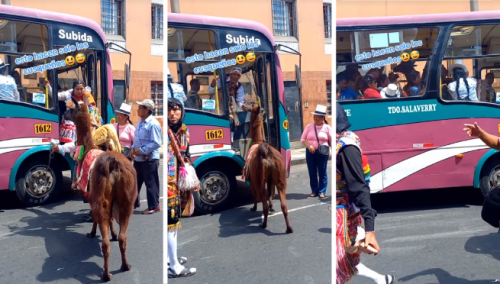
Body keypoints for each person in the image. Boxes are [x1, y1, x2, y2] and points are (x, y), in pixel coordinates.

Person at [336, 102, 394, 284]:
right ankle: (381, 280)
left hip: (342, 215)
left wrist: (370, 228)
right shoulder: (344, 141)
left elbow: (358, 186)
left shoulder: (346, 147)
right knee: (345, 262)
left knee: (339, 265)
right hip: (342, 213)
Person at [167, 97, 198, 278]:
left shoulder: (184, 130)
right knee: (171, 223)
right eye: (170, 109)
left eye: (176, 109)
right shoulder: (167, 131)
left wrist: (192, 177)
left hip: (179, 183)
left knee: (174, 224)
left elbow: (186, 155)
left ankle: (172, 259)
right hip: (170, 184)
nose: (172, 113)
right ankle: (174, 268)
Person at [132, 99, 162, 214]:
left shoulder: (153, 124)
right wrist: (133, 149)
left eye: (140, 108)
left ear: (147, 110)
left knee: (151, 183)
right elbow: (137, 139)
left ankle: (154, 206)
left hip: (149, 159)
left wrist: (143, 151)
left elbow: (156, 142)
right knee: (136, 181)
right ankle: (134, 203)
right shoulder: (140, 122)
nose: (138, 110)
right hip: (139, 158)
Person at [301, 104, 332, 199]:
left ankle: (322, 191)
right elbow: (303, 139)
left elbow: (331, 141)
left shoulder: (327, 128)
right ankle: (314, 190)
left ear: (323, 117)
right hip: (310, 152)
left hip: (323, 153)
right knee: (312, 172)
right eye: (315, 116)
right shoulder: (309, 126)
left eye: (318, 117)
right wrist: (309, 146)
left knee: (322, 172)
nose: (316, 118)